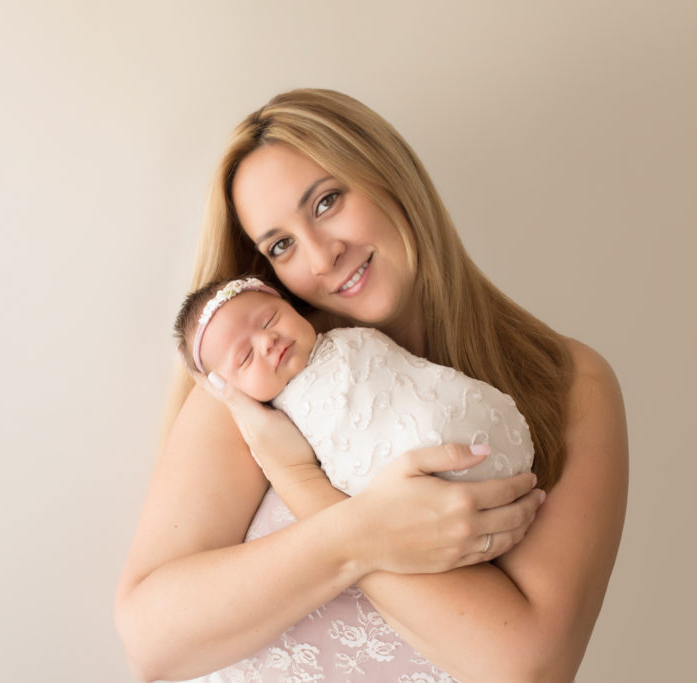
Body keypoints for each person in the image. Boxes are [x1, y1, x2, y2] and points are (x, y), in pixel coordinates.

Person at [115, 88, 628, 682]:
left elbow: (525, 667)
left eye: (327, 202)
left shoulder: (567, 384)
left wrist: (306, 488)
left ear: (389, 175)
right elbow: (151, 643)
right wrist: (356, 531)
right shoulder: (258, 379)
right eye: (280, 245)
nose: (321, 256)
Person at [174, 275, 534, 496]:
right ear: (228, 387)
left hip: (464, 421)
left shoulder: (350, 335)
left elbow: (411, 373)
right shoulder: (275, 427)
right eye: (245, 357)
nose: (267, 341)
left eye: (270, 319)